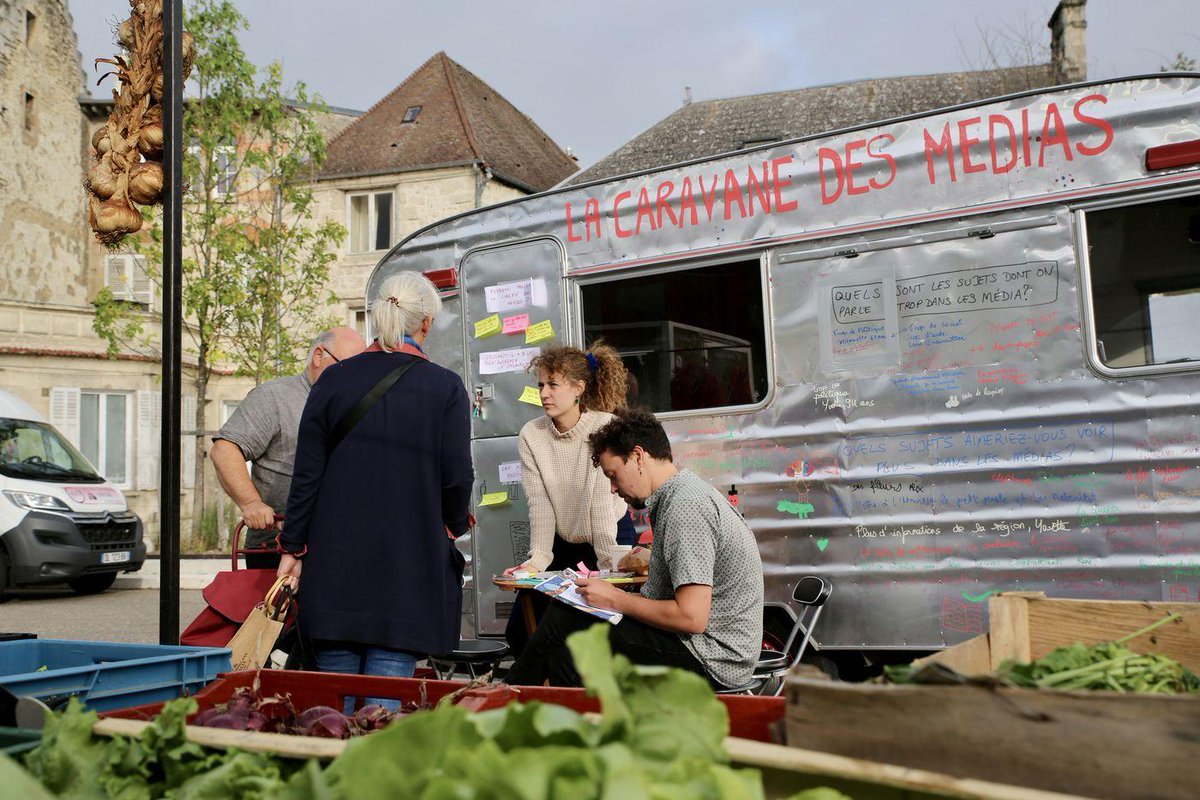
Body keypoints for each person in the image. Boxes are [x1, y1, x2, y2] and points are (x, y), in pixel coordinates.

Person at [276, 272, 473, 692]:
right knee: (380, 713)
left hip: (334, 567)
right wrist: (453, 524)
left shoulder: (331, 380)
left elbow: (306, 475)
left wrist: (293, 546)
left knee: (330, 712)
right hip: (406, 564)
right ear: (425, 325)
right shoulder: (444, 387)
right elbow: (457, 476)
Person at [504, 408, 764, 689]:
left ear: (638, 456)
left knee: (565, 621)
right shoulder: (680, 496)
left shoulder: (685, 507)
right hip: (704, 647)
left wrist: (615, 599)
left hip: (711, 658)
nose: (613, 488)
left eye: (613, 475)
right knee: (568, 636)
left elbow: (691, 617)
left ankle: (504, 700)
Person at [503, 342, 634, 654]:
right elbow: (540, 503)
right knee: (522, 632)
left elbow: (600, 503)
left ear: (578, 388)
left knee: (598, 633)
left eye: (553, 385)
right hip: (563, 542)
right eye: (541, 385)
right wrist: (536, 561)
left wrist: (608, 570)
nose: (544, 393)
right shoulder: (531, 434)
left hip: (609, 537)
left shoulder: (603, 426)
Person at [211, 327, 366, 569]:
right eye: (347, 368)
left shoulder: (356, 407)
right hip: (275, 549)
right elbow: (225, 449)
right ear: (318, 355)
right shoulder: (274, 398)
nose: (354, 380)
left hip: (339, 548)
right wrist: (251, 503)